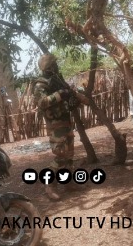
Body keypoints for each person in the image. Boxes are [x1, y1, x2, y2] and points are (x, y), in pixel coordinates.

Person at [31, 54, 88, 201]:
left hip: (65, 121)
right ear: (48, 67)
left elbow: (68, 95)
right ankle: (49, 185)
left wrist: (74, 97)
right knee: (60, 155)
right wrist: (60, 94)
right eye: (54, 64)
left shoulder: (57, 80)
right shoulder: (41, 84)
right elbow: (42, 103)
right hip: (55, 124)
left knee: (69, 155)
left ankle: (68, 183)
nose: (57, 66)